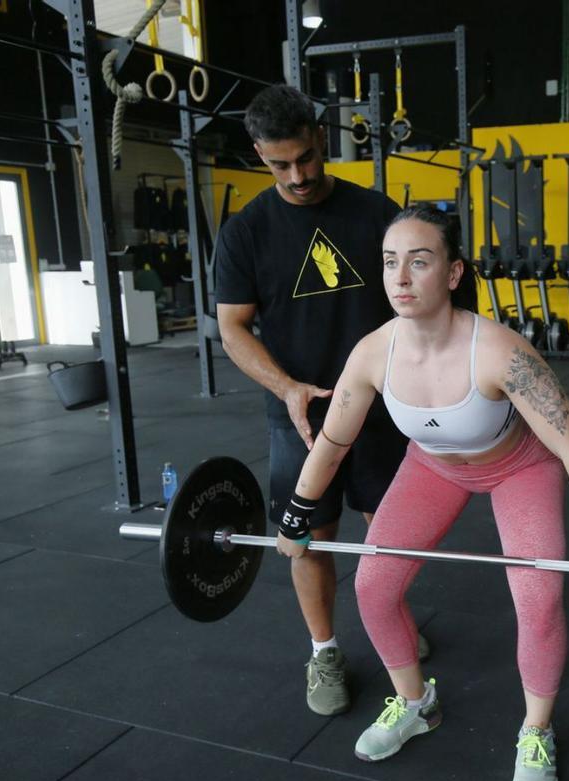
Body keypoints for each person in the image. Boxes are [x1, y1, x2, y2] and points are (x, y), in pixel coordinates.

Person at [276, 203, 569, 781]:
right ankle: (415, 703)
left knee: (538, 596)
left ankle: (536, 729)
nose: (400, 278)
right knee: (373, 587)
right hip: (432, 469)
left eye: (419, 262)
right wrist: (298, 516)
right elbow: (331, 445)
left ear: (453, 274)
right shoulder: (372, 353)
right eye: (389, 263)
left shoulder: (500, 352)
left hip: (519, 468)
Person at [215, 84, 418, 718]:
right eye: (280, 165)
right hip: (299, 415)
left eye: (305, 158)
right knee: (307, 538)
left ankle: (392, 623)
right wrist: (287, 388)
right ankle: (324, 649)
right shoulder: (246, 233)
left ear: (322, 139)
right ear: (259, 155)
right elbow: (232, 326)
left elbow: (416, 301)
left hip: (382, 408)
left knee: (389, 533)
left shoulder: (376, 214)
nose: (298, 176)